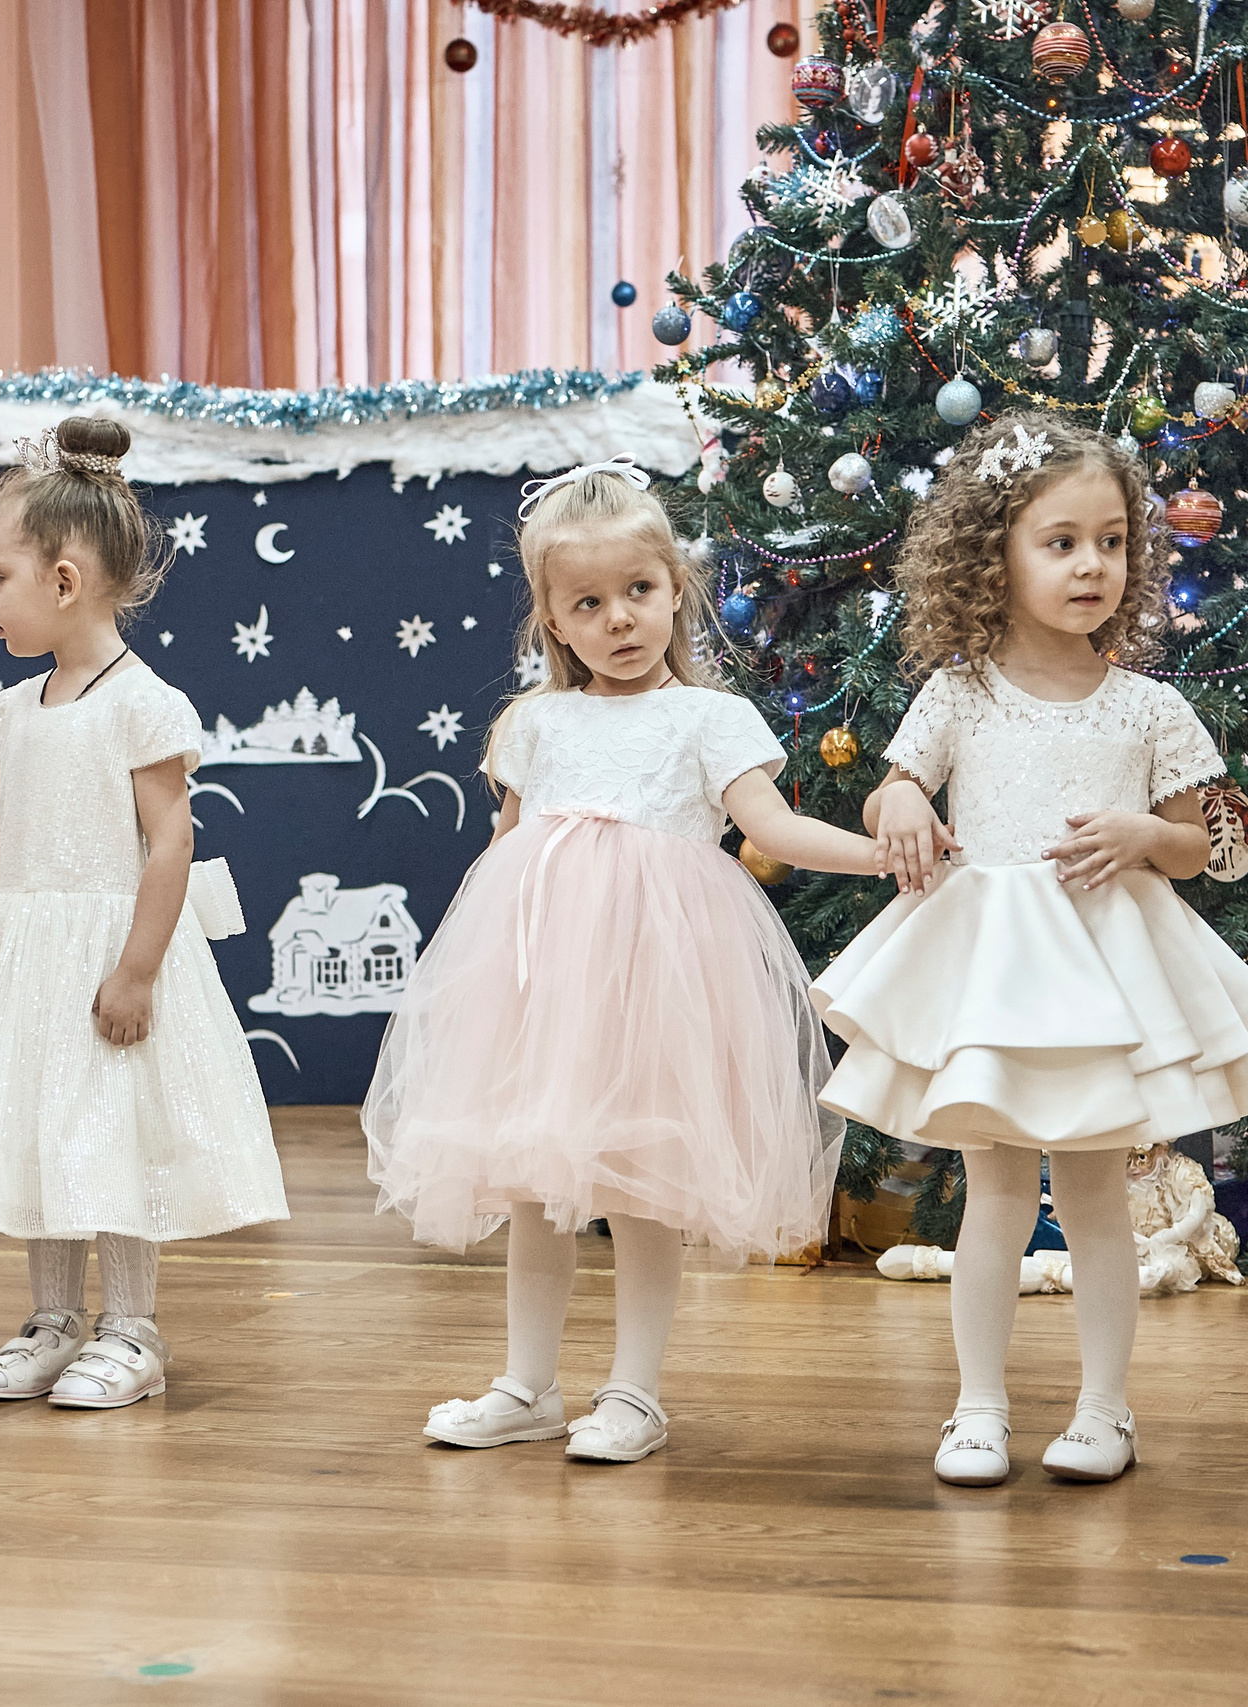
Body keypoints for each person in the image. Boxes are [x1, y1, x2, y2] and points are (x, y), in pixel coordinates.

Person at [813, 412, 1248, 1486]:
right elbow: (891, 789)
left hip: (1101, 975)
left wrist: (1144, 835)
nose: (1092, 565)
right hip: (994, 974)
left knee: (1092, 1198)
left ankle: (1103, 1411)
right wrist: (901, 803)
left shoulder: (1150, 708)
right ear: (992, 553)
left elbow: (1196, 848)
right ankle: (977, 1409)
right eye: (1061, 542)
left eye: (1112, 542)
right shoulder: (957, 692)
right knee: (992, 1194)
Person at [362, 459, 883, 1464]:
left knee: (647, 1183)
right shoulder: (534, 723)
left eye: (638, 591)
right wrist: (475, 984)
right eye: (588, 604)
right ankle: (527, 1384)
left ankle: (634, 1392)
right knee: (532, 1181)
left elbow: (771, 827)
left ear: (675, 589)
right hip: (545, 988)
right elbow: (505, 853)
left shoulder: (707, 718)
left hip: (659, 984)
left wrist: (879, 855)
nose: (618, 620)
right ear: (554, 623)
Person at [0, 417, 288, 1411]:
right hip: (27, 960)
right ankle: (54, 1319)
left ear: (63, 582)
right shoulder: (13, 712)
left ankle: (132, 1328)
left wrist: (137, 969)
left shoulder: (140, 703)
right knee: (43, 1131)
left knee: (109, 1137)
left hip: (108, 954)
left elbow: (170, 843)